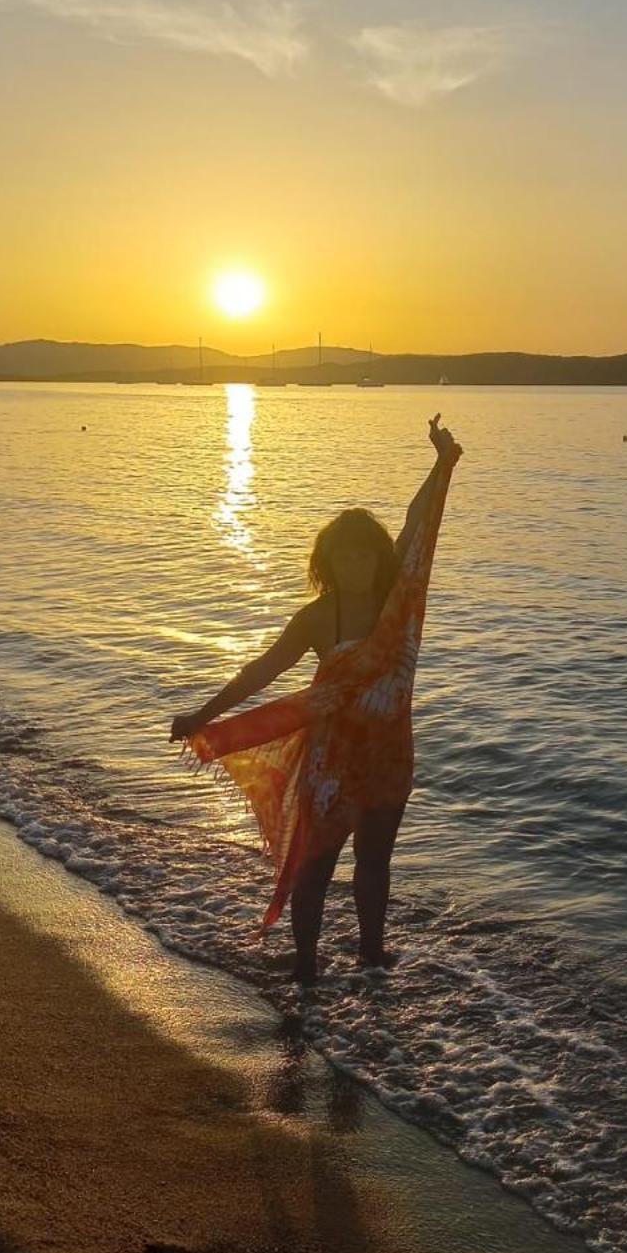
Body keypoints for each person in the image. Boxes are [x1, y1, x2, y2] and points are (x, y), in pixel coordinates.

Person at [171, 414, 462, 985]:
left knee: (376, 863)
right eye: (344, 557)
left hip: (389, 757)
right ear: (327, 562)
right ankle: (307, 965)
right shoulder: (315, 618)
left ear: (380, 559)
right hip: (332, 763)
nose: (357, 566)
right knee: (318, 866)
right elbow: (262, 670)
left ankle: (372, 958)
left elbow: (415, 524)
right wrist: (204, 716)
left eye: (366, 556)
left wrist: (441, 463)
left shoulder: (394, 602)